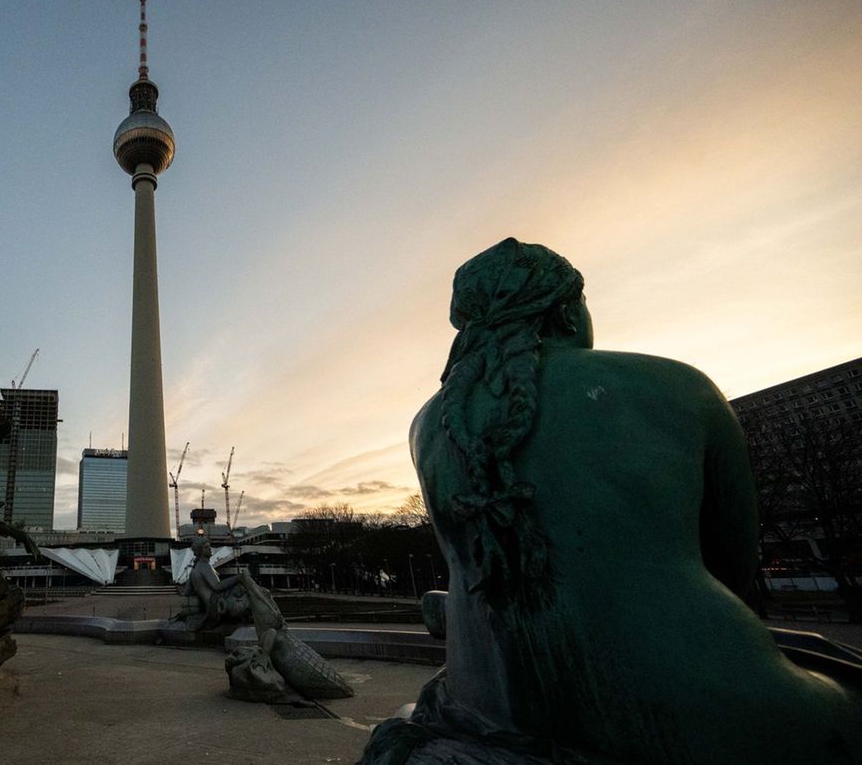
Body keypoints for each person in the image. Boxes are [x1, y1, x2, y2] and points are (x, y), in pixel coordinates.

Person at [363, 238, 862, 764]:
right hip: (704, 701)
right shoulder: (678, 386)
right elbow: (732, 565)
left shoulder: (431, 425)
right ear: (566, 310)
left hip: (492, 706)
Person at [187, 536, 249, 624]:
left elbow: (187, 591)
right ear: (199, 551)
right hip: (215, 604)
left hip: (210, 604)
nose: (209, 549)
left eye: (209, 546)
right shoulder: (204, 566)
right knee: (247, 597)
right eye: (206, 547)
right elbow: (217, 586)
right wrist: (238, 577)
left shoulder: (195, 569)